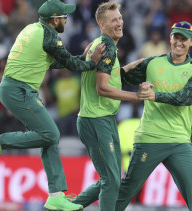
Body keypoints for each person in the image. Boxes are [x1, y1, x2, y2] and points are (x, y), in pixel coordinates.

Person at [0, 0, 105, 210]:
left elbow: (56, 61)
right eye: (63, 16)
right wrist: (92, 62)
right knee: (52, 134)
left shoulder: (33, 29)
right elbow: (71, 64)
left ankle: (56, 195)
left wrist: (82, 57)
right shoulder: (49, 36)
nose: (66, 19)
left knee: (48, 139)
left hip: (15, 87)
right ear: (54, 19)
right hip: (19, 90)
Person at [115, 21, 192, 211]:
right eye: (176, 37)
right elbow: (118, 79)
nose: (179, 42)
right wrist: (131, 65)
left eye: (184, 39)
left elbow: (186, 97)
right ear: (170, 38)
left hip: (179, 141)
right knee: (127, 190)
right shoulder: (152, 63)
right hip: (150, 138)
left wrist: (154, 95)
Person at [70, 2, 149, 211]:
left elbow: (106, 77)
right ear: (101, 24)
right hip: (97, 120)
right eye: (114, 20)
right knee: (112, 180)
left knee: (110, 179)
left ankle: (65, 208)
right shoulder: (106, 49)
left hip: (99, 118)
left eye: (120, 18)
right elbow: (102, 88)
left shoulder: (100, 44)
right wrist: (136, 97)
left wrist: (126, 69)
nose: (120, 23)